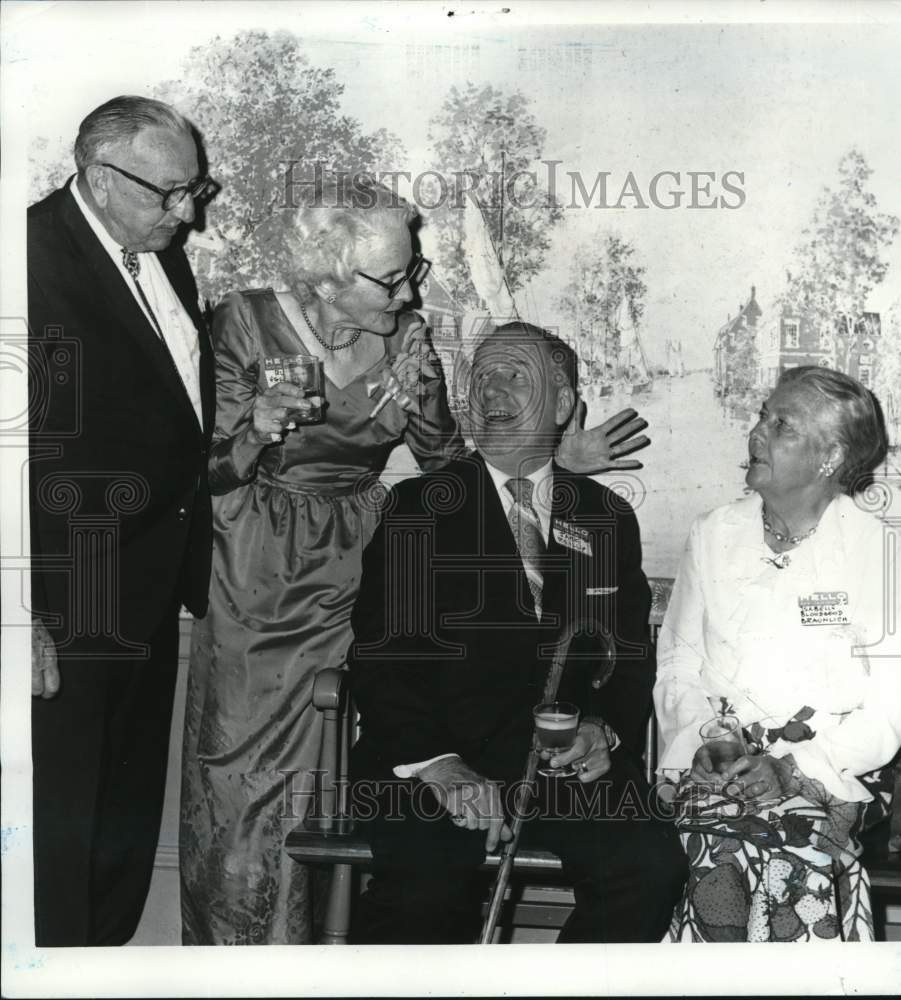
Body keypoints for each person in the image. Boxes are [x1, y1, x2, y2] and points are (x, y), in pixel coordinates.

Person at [179, 182, 652, 945]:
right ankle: (242, 959)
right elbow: (188, 475)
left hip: (356, 559)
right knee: (245, 779)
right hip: (259, 569)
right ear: (328, 272)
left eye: (411, 271)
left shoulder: (406, 338)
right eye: (389, 279)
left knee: (348, 761)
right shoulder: (243, 322)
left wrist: (554, 458)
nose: (409, 292)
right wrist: (256, 432)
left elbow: (455, 462)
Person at [347, 321, 687, 945]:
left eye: (513, 374)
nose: (491, 389)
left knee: (648, 868)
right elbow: (383, 658)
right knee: (423, 894)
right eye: (481, 376)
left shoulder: (607, 517)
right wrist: (440, 766)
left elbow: (631, 657)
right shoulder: (417, 507)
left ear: (562, 405)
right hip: (439, 762)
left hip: (568, 772)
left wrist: (601, 727)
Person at [28, 95, 216, 946]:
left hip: (147, 588)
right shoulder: (27, 259)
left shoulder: (161, 258)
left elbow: (170, 425)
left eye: (194, 189)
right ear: (102, 178)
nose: (188, 212)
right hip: (65, 606)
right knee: (55, 843)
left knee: (121, 832)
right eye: (169, 192)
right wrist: (20, 614)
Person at [654, 365, 901, 942]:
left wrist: (794, 770)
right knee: (715, 847)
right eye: (761, 416)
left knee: (786, 860)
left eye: (782, 425)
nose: (757, 432)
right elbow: (677, 658)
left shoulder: (873, 546)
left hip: (827, 772)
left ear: (830, 458)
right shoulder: (713, 533)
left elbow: (896, 699)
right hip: (716, 766)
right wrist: (707, 738)